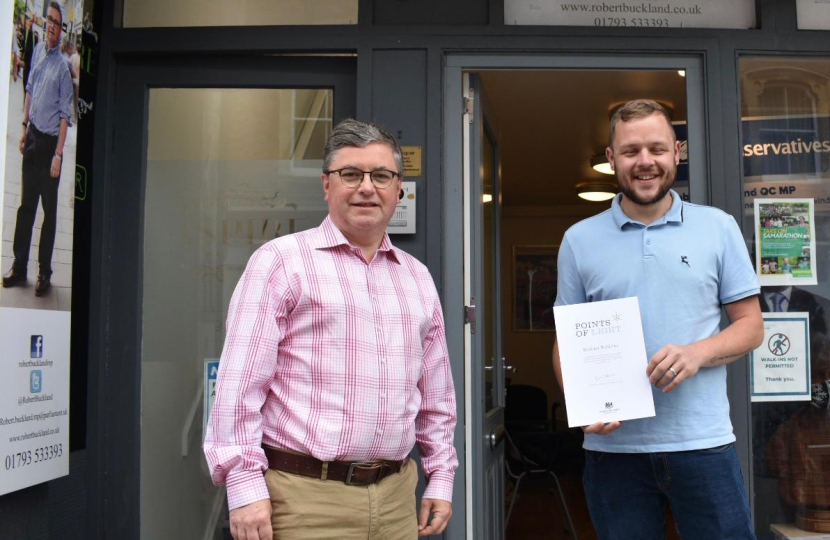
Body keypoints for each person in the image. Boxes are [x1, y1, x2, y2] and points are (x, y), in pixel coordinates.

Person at [204, 119, 457, 540]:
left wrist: (441, 476)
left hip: (397, 500)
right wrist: (244, 488)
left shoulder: (418, 278)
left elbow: (436, 396)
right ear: (327, 185)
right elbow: (239, 386)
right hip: (303, 501)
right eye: (350, 174)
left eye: (381, 176)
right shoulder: (281, 262)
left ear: (399, 190)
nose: (366, 187)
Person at [552, 99, 764, 540]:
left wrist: (697, 353)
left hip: (702, 444)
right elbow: (565, 340)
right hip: (614, 452)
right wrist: (582, 401)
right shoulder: (578, 240)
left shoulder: (718, 227)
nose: (644, 162)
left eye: (657, 148)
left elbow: (751, 326)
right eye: (630, 151)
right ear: (612, 159)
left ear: (677, 152)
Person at [2, 2, 73, 296]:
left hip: (49, 148)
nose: (52, 26)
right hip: (32, 138)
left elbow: (65, 116)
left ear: (62, 29)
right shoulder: (39, 52)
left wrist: (57, 155)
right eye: (50, 20)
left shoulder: (64, 68)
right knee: (26, 206)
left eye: (57, 22)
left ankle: (45, 272)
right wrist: (22, 127)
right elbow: (29, 88)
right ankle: (20, 267)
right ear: (45, 23)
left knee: (49, 213)